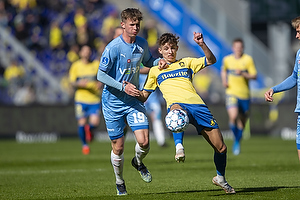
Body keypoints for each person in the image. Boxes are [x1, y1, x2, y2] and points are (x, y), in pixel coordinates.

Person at [136, 32, 236, 194]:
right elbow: (144, 95)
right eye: (166, 48)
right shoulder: (155, 71)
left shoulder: (187, 62)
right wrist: (130, 90)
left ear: (177, 49)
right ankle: (179, 147)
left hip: (198, 107)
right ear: (160, 51)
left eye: (173, 48)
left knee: (221, 148)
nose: (170, 51)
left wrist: (202, 44)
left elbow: (211, 60)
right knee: (176, 112)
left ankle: (220, 178)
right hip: (177, 106)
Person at [96, 8, 167, 196]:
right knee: (118, 147)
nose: (135, 28)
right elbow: (100, 74)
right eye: (132, 24)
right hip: (112, 103)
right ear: (123, 25)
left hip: (133, 101)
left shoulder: (142, 44)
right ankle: (119, 181)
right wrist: (122, 86)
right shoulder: (113, 47)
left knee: (144, 142)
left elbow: (149, 61)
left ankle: (137, 162)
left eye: (138, 24)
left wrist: (157, 62)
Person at [265, 16, 300, 162]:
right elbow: (294, 78)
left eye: (299, 31)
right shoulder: (299, 54)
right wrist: (274, 89)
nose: (297, 35)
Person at [221, 38, 257, 155]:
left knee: (242, 121)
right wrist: (224, 81)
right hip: (231, 93)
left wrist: (243, 73)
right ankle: (236, 139)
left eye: (240, 47)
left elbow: (254, 76)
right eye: (236, 47)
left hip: (245, 95)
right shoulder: (227, 59)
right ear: (233, 48)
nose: (238, 49)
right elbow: (223, 70)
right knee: (233, 116)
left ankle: (237, 141)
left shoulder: (248, 60)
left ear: (243, 48)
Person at [69, 45, 103, 155]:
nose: (87, 53)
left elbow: (102, 77)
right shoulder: (76, 66)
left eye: (88, 51)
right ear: (81, 53)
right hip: (81, 99)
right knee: (82, 123)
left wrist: (100, 83)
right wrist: (79, 83)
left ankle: (90, 129)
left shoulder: (95, 64)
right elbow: (72, 82)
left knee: (95, 123)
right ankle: (85, 145)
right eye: (84, 51)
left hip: (94, 99)